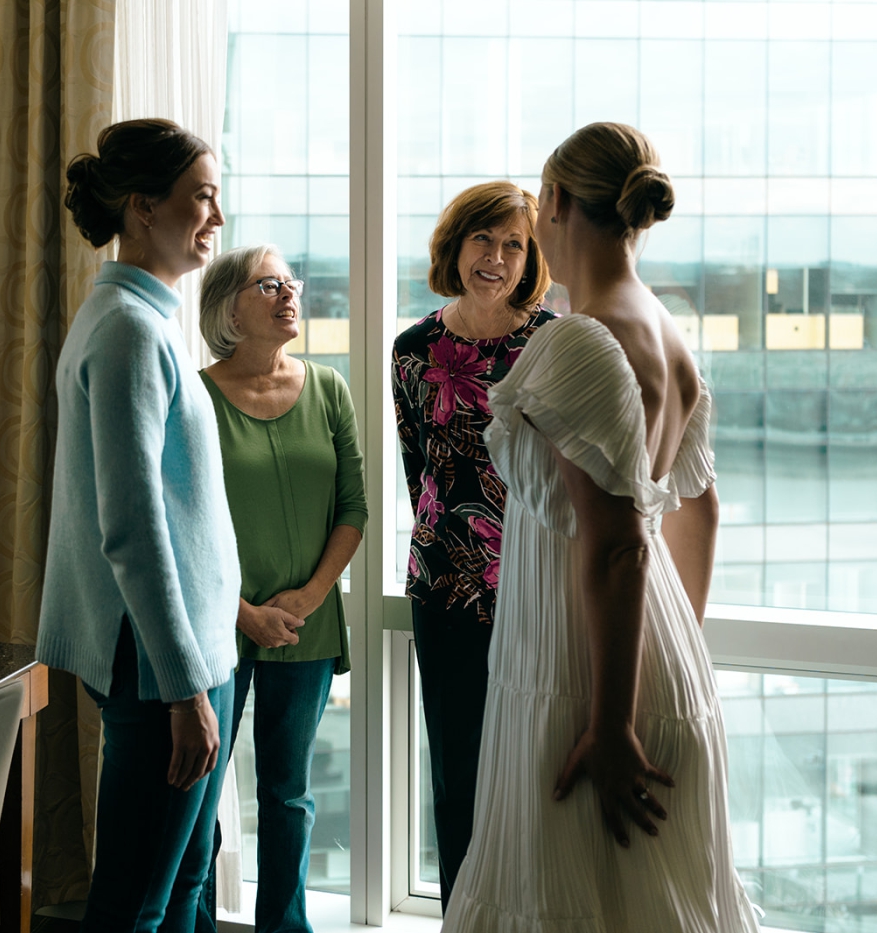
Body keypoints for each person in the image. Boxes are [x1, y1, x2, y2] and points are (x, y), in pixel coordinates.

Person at [442, 123, 757, 932]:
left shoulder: (583, 339)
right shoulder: (664, 330)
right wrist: (662, 659)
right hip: (649, 660)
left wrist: (613, 717)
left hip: (583, 679)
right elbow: (700, 512)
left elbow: (617, 543)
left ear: (552, 202)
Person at [36, 118, 239, 933]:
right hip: (162, 664)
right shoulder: (125, 330)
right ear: (142, 207)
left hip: (184, 652)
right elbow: (130, 523)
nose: (215, 218)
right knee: (135, 905)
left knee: (186, 879)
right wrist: (183, 686)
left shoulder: (140, 319)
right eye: (201, 198)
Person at [390, 180, 555, 906]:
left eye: (513, 243)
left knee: (532, 772)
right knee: (457, 773)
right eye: (482, 239)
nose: (496, 256)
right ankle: (462, 917)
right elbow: (416, 468)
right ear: (454, 245)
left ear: (532, 256)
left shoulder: (552, 343)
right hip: (442, 586)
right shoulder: (413, 348)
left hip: (535, 585)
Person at [195, 245, 367, 933]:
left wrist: (310, 595)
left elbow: (354, 507)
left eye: (291, 281)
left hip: (306, 626)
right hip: (217, 625)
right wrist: (243, 613)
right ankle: (195, 921)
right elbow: (180, 526)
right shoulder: (196, 396)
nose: (288, 293)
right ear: (229, 307)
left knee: (288, 795)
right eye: (269, 284)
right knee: (200, 792)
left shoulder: (328, 388)